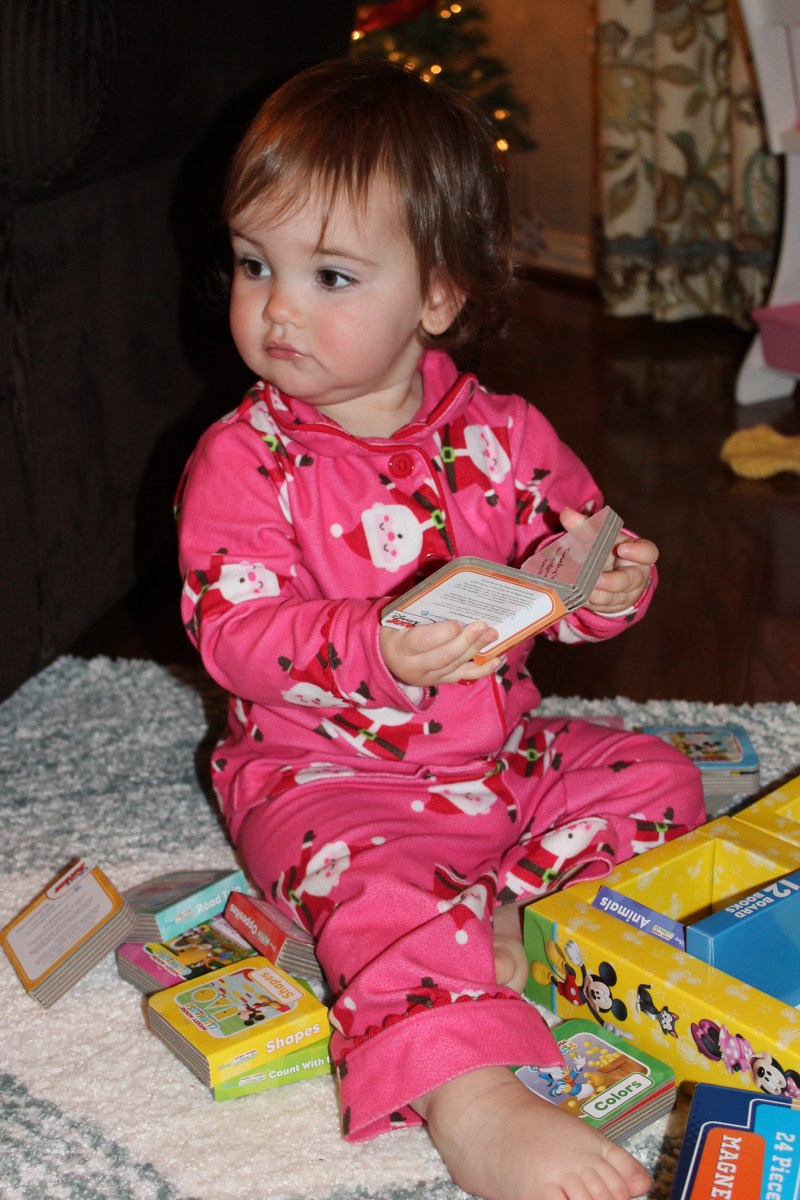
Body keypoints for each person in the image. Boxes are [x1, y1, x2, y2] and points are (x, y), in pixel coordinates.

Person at [176, 58, 705, 1200]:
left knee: (656, 776)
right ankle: (472, 1100)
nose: (277, 307)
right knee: (378, 905)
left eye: (329, 275)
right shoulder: (244, 457)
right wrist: (371, 643)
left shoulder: (504, 433)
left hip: (497, 758)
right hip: (322, 784)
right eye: (255, 264)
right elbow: (233, 632)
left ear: (438, 297)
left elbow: (566, 565)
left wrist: (607, 586)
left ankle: (510, 923)